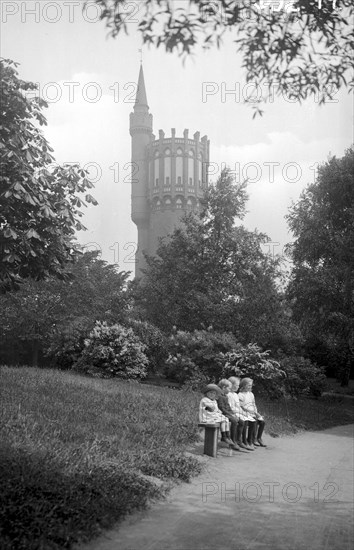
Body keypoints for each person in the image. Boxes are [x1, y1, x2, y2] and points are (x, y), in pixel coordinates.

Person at [238, 377, 267, 448]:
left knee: (262, 422)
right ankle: (250, 440)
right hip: (245, 413)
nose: (250, 387)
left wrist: (256, 413)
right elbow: (242, 407)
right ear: (243, 385)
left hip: (253, 413)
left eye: (251, 385)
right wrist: (250, 412)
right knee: (254, 421)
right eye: (248, 385)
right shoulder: (240, 395)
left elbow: (254, 404)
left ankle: (258, 438)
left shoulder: (251, 394)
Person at [216, 379, 243, 451]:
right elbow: (221, 408)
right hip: (222, 414)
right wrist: (230, 415)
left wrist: (233, 414)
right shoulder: (220, 396)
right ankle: (232, 440)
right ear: (224, 387)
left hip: (227, 413)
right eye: (229, 388)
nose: (230, 390)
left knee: (241, 421)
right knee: (234, 421)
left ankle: (237, 440)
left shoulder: (225, 396)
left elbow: (228, 407)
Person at [228, 376, 253, 450]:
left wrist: (242, 413)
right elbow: (229, 407)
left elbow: (238, 407)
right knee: (238, 421)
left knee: (244, 420)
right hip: (230, 413)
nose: (238, 387)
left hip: (236, 412)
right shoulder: (228, 395)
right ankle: (234, 441)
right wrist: (238, 413)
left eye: (238, 385)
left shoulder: (235, 395)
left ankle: (240, 440)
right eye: (237, 385)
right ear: (231, 385)